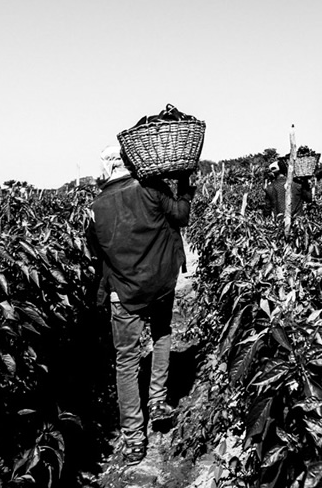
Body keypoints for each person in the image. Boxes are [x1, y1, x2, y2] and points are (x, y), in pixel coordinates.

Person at [87, 145, 194, 465]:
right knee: (162, 333)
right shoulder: (152, 187)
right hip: (160, 282)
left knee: (126, 361)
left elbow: (96, 253)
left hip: (124, 292)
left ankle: (134, 438)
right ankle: (158, 401)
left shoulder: (95, 207)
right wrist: (186, 188)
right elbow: (181, 215)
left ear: (106, 168)